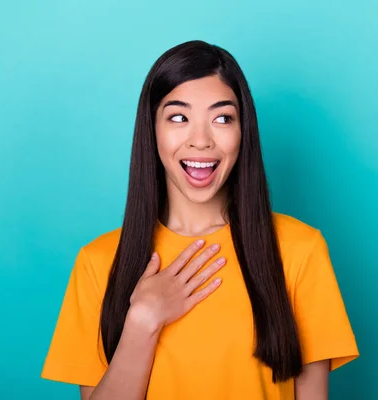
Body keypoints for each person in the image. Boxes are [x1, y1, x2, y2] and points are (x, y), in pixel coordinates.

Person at [41, 40, 359, 400]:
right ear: (152, 130)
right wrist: (142, 322)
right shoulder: (98, 263)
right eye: (179, 117)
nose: (201, 141)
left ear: (244, 132)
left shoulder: (299, 251)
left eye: (222, 118)